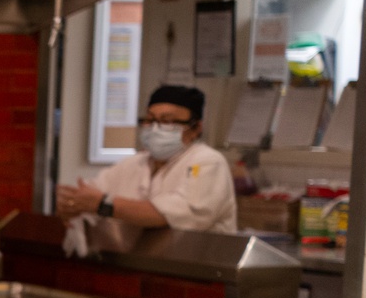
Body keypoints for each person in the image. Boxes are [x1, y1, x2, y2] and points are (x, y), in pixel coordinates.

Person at [56, 84, 238, 234]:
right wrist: (72, 203)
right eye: (150, 120)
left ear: (196, 128)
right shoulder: (135, 163)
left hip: (197, 269)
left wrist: (104, 205)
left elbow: (169, 215)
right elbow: (91, 192)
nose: (155, 129)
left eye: (167, 122)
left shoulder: (206, 162)